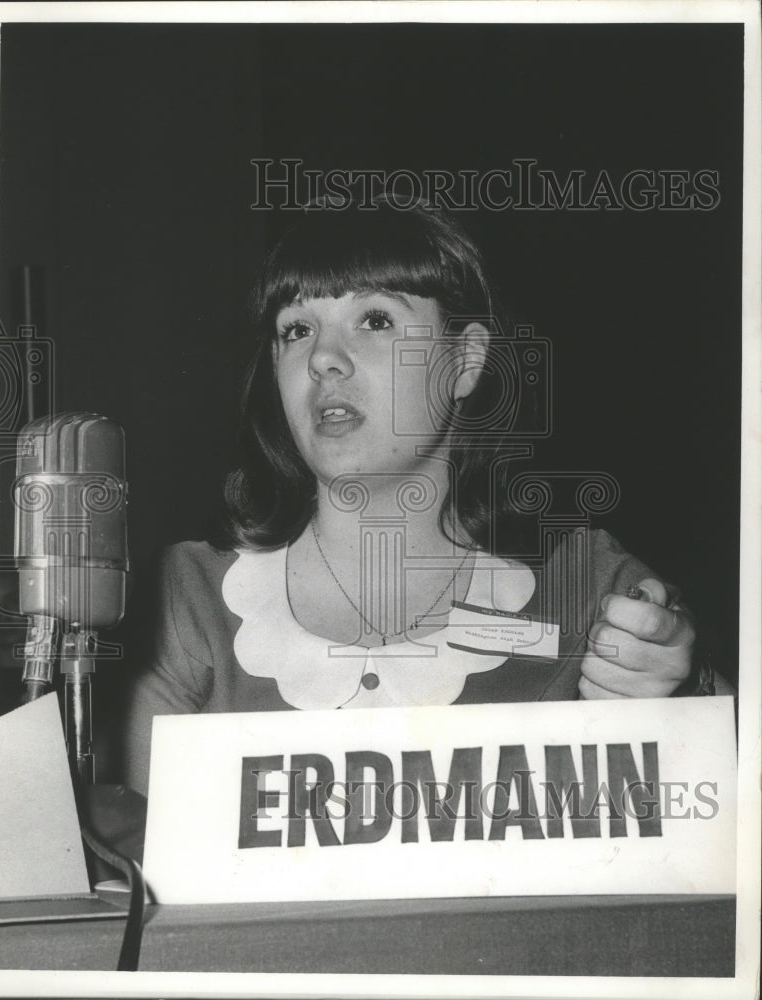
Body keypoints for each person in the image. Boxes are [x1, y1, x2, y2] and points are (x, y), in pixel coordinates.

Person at [123, 200, 724, 797]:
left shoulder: (590, 581)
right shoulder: (185, 597)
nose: (323, 359)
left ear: (464, 361)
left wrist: (687, 687)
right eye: (297, 329)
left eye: (376, 320)